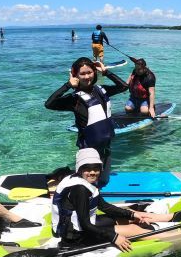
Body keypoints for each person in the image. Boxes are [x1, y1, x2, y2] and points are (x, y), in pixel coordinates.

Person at [52, 148, 173, 250]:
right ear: (80, 169)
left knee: (127, 217)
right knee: (133, 229)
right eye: (88, 169)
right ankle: (175, 238)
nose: (93, 172)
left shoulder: (84, 181)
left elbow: (105, 207)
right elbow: (85, 224)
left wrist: (132, 215)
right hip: (76, 238)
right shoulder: (80, 189)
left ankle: (171, 218)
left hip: (84, 227)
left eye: (96, 168)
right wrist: (114, 237)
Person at [45, 57, 128, 187]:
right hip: (88, 149)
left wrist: (106, 72)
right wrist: (67, 85)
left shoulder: (101, 90)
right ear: (75, 75)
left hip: (106, 146)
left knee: (103, 181)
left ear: (94, 72)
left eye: (89, 72)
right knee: (89, 184)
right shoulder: (74, 99)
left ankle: (66, 175)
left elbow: (124, 86)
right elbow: (49, 104)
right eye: (82, 74)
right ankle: (63, 178)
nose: (87, 76)